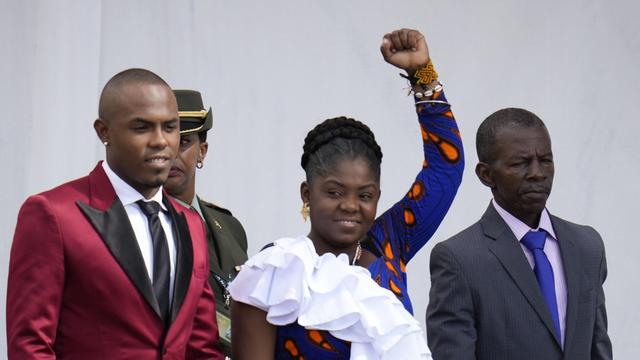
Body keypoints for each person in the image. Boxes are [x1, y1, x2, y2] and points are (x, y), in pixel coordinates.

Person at [228, 28, 464, 359]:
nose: (351, 206)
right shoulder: (275, 270)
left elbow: (445, 170)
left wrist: (422, 73)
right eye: (334, 192)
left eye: (365, 195)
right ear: (306, 194)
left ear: (378, 197)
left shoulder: (389, 245)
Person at [6, 69, 223, 359]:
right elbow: (29, 347)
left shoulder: (192, 224)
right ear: (104, 131)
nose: (160, 141)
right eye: (142, 127)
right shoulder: (53, 215)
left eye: (170, 127)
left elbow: (202, 349)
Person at [426, 108, 612, 359]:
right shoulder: (458, 259)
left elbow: (597, 347)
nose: (537, 173)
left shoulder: (587, 245)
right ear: (486, 175)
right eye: (520, 163)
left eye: (545, 160)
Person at [165, 89, 248, 356]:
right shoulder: (140, 224)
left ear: (202, 151)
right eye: (163, 142)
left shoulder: (229, 226)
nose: (171, 153)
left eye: (183, 142)